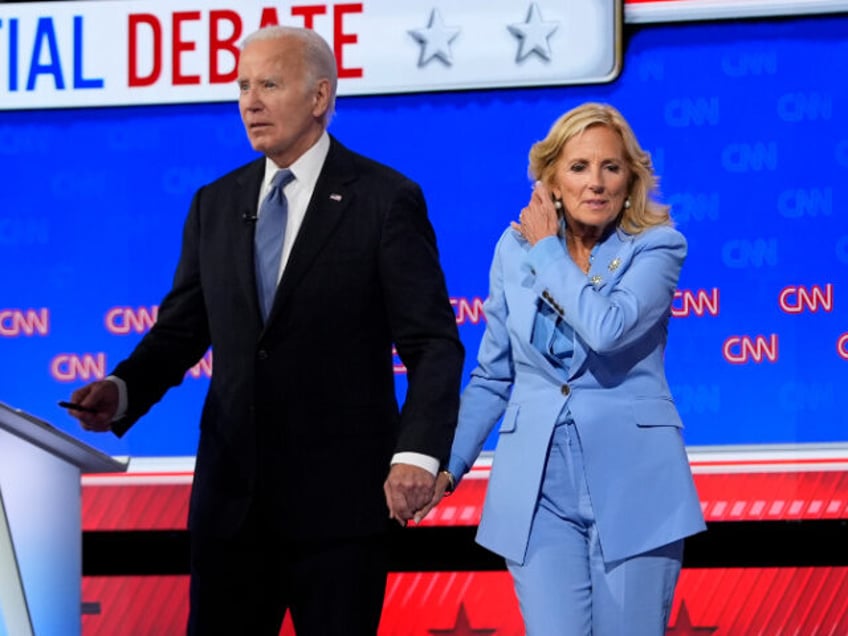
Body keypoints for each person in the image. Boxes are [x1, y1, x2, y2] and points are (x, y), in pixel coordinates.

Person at [66, 25, 464, 636]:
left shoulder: (384, 199)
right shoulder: (214, 203)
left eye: (270, 84)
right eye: (243, 86)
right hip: (231, 508)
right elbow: (181, 329)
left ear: (319, 97)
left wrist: (415, 454)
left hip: (341, 508)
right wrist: (123, 389)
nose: (250, 102)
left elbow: (432, 344)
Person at [417, 102, 706, 635]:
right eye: (578, 168)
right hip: (537, 488)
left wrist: (549, 250)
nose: (595, 183)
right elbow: (494, 375)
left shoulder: (658, 246)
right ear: (551, 179)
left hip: (636, 483)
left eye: (610, 168)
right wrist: (446, 465)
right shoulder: (511, 248)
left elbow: (608, 329)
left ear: (630, 179)